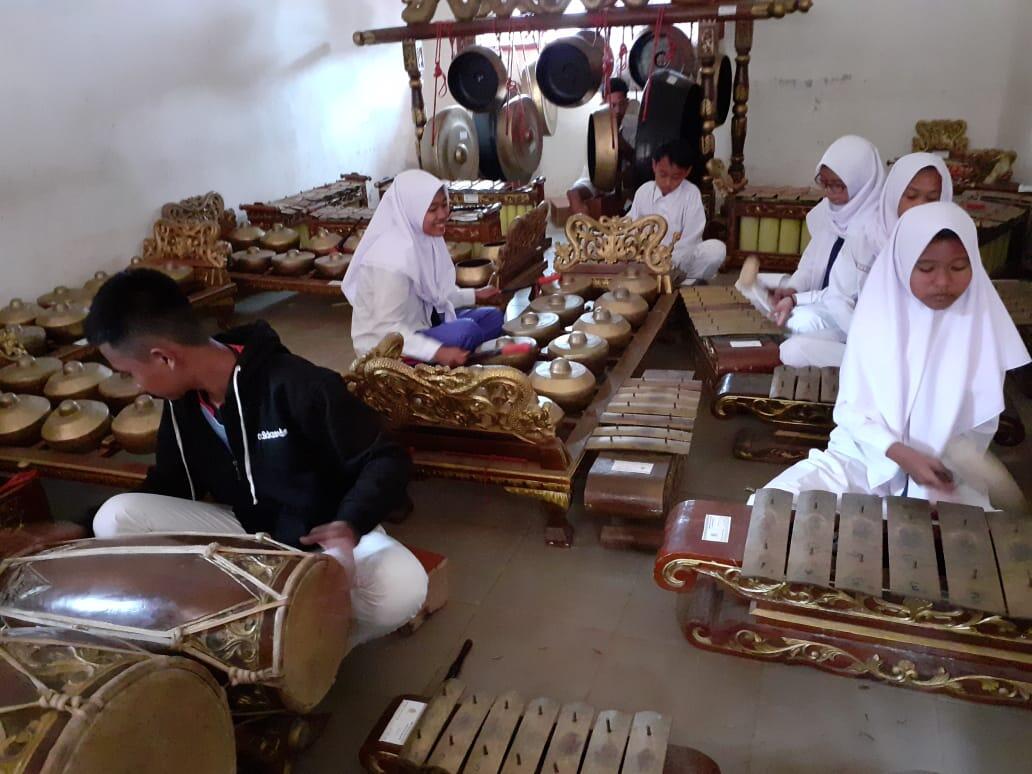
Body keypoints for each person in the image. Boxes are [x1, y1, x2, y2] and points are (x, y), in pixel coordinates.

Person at [85, 269, 429, 647]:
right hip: (246, 530)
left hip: (320, 533)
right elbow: (170, 485)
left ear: (164, 358)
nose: (136, 385)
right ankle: (231, 622)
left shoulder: (299, 384)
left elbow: (386, 458)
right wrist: (78, 527)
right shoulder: (182, 403)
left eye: (130, 373)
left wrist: (348, 525)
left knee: (403, 586)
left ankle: (313, 654)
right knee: (114, 517)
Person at [761, 202, 1030, 509]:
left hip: (942, 474)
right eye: (926, 268)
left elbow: (978, 429)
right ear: (902, 265)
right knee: (769, 505)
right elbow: (850, 412)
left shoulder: (982, 327)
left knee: (969, 542)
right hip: (860, 458)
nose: (942, 281)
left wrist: (944, 466)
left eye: (958, 267)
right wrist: (897, 451)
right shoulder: (876, 316)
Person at [779, 152, 952, 367]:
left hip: (914, 353)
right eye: (912, 195)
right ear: (894, 194)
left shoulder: (950, 247)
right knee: (792, 348)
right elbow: (838, 296)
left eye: (931, 198)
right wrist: (862, 337)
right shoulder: (868, 237)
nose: (920, 206)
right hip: (866, 336)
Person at [344, 170, 503, 367]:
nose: (443, 214)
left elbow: (437, 295)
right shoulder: (389, 259)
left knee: (492, 318)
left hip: (425, 323)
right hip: (387, 347)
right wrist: (437, 352)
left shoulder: (425, 238)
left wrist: (476, 295)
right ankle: (447, 363)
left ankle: (461, 357)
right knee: (466, 332)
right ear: (413, 210)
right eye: (433, 209)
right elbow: (387, 331)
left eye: (445, 205)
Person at [764, 135, 885, 333]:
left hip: (849, 315)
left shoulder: (876, 228)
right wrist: (791, 290)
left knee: (799, 322)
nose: (829, 193)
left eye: (838, 185)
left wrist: (795, 300)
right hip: (819, 299)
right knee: (757, 290)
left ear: (862, 181)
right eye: (825, 183)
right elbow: (810, 265)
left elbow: (841, 296)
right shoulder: (827, 212)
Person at [628, 140, 725, 284]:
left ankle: (685, 283)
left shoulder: (691, 193)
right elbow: (630, 225)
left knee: (717, 249)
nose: (668, 183)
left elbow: (690, 241)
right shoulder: (644, 191)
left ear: (687, 172)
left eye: (675, 177)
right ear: (654, 166)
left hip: (679, 263)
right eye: (663, 174)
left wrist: (667, 261)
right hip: (646, 260)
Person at [567, 77, 639, 217]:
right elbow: (593, 164)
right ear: (604, 103)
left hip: (625, 181)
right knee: (573, 194)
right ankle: (587, 231)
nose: (617, 110)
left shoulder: (634, 125)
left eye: (621, 104)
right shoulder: (597, 123)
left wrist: (620, 142)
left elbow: (638, 161)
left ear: (627, 103)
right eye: (612, 105)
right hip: (597, 177)